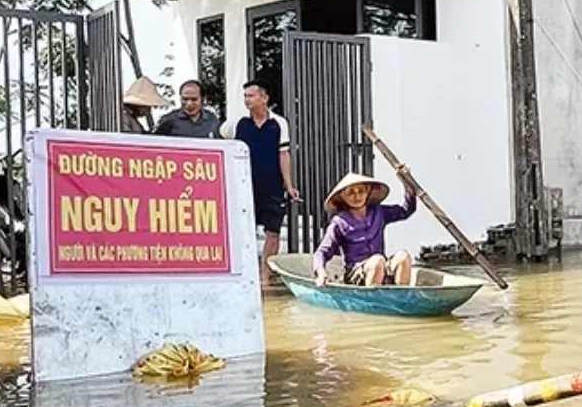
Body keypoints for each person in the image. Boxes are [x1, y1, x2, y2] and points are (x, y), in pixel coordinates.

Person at [229, 80, 300, 269]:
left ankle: (266, 274)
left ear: (264, 98)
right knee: (245, 230)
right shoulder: (237, 124)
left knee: (273, 231)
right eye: (245, 96)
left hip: (272, 184)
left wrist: (289, 184)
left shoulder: (279, 123)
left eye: (251, 96)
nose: (247, 100)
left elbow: (283, 154)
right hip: (245, 185)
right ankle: (246, 269)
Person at [312, 172, 417, 287]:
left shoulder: (379, 212)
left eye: (361, 191)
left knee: (403, 257)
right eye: (350, 193)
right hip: (356, 273)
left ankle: (401, 298)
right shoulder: (339, 222)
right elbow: (322, 252)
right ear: (342, 197)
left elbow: (406, 210)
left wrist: (407, 183)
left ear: (367, 192)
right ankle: (372, 299)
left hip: (381, 267)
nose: (357, 196)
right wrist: (321, 272)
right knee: (377, 261)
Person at [154, 79, 221, 139]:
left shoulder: (212, 120)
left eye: (194, 99)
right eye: (185, 99)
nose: (189, 103)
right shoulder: (169, 120)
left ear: (203, 100)